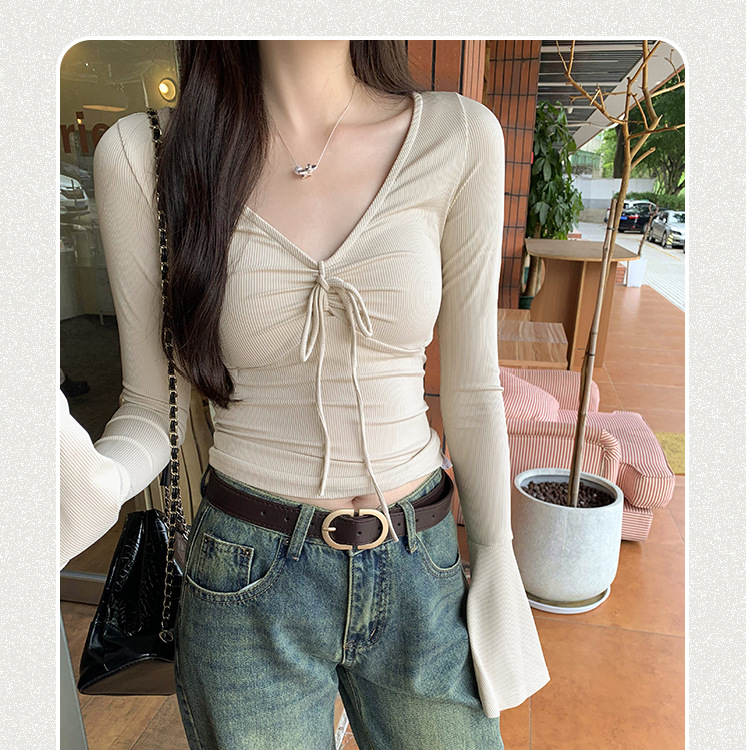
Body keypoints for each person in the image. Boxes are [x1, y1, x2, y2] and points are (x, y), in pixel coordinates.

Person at [58, 40, 550, 749]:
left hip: (422, 564)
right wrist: (98, 482)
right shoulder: (148, 155)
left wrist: (498, 553)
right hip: (246, 577)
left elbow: (473, 389)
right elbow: (150, 409)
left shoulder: (459, 136)